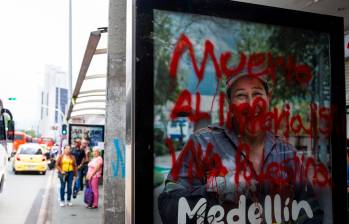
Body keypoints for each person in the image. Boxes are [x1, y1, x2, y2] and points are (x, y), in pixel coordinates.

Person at [158, 72, 324, 223]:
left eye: (257, 93)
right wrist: (217, 189)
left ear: (268, 99)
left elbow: (311, 212)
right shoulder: (201, 144)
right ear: (230, 104)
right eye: (241, 96)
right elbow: (168, 207)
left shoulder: (286, 152)